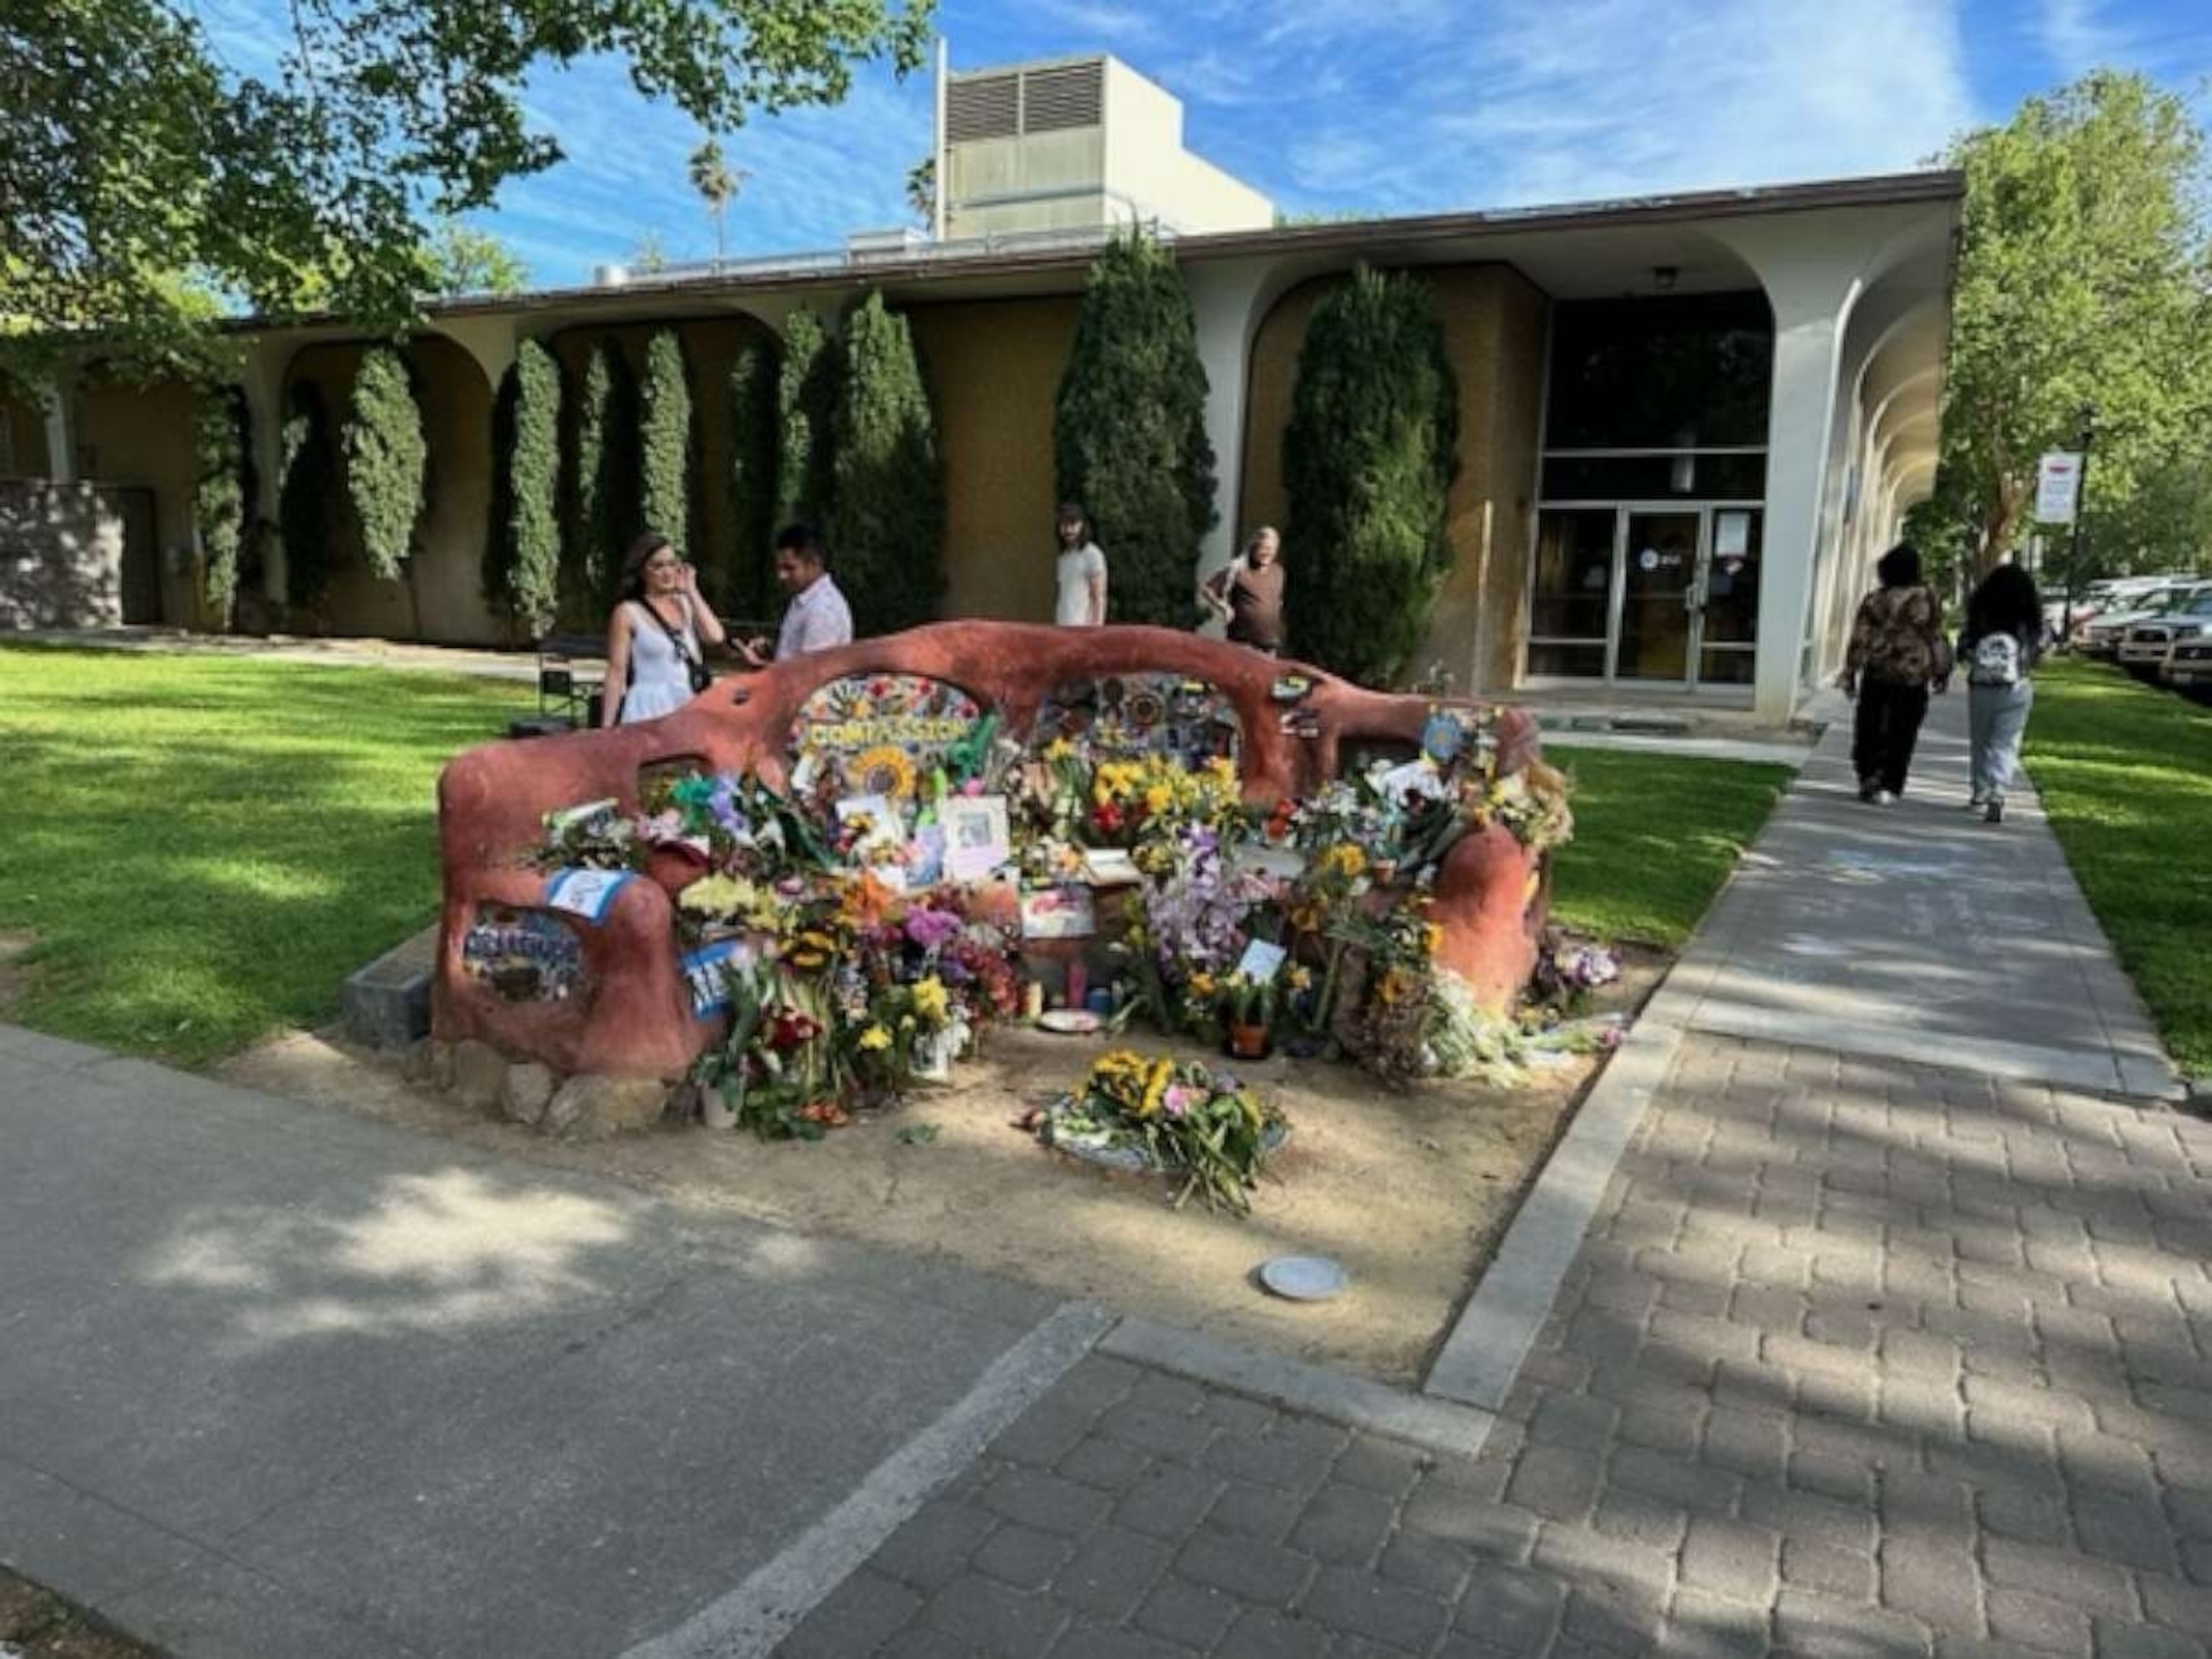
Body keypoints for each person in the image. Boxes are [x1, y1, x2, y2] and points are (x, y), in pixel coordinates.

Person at [1840, 542, 1949, 804]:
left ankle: (1868, 774)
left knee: (1870, 725)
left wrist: (1851, 670)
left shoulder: (1875, 599)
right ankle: (1891, 782)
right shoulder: (1927, 598)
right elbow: (1936, 636)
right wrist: (1941, 670)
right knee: (1904, 730)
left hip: (1878, 669)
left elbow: (1860, 636)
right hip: (1913, 673)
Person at [602, 532, 727, 727]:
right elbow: (616, 671)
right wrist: (607, 727)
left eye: (672, 564)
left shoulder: (685, 604)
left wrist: (692, 591)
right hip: (648, 705)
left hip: (686, 700)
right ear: (643, 571)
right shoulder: (627, 612)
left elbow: (715, 636)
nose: (667, 572)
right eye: (658, 566)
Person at [1957, 561, 2044, 824]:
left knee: (1981, 740)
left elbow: (1965, 648)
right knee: (2006, 742)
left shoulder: (1981, 612)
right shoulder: (2029, 617)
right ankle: (1998, 790)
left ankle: (1979, 793)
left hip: (1981, 685)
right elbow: (2041, 648)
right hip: (2016, 686)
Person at [736, 523, 853, 667]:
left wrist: (758, 665)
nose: (782, 576)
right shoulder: (803, 599)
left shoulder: (823, 610)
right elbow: (797, 656)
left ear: (814, 564)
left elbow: (808, 674)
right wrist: (772, 649)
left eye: (789, 568)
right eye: (779, 568)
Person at [1200, 526, 1287, 654]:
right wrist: (1223, 607)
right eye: (1264, 549)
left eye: (1271, 550)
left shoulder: (1278, 572)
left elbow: (1277, 599)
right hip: (1243, 643)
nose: (1267, 554)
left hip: (1269, 644)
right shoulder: (1239, 569)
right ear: (1255, 546)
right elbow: (1208, 589)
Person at [1053, 502, 1107, 627]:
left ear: (1082, 525)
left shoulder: (1092, 555)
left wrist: (1097, 627)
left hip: (1084, 628)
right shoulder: (1063, 558)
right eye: (1064, 524)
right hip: (1062, 625)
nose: (1068, 529)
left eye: (1073, 524)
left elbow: (1098, 596)